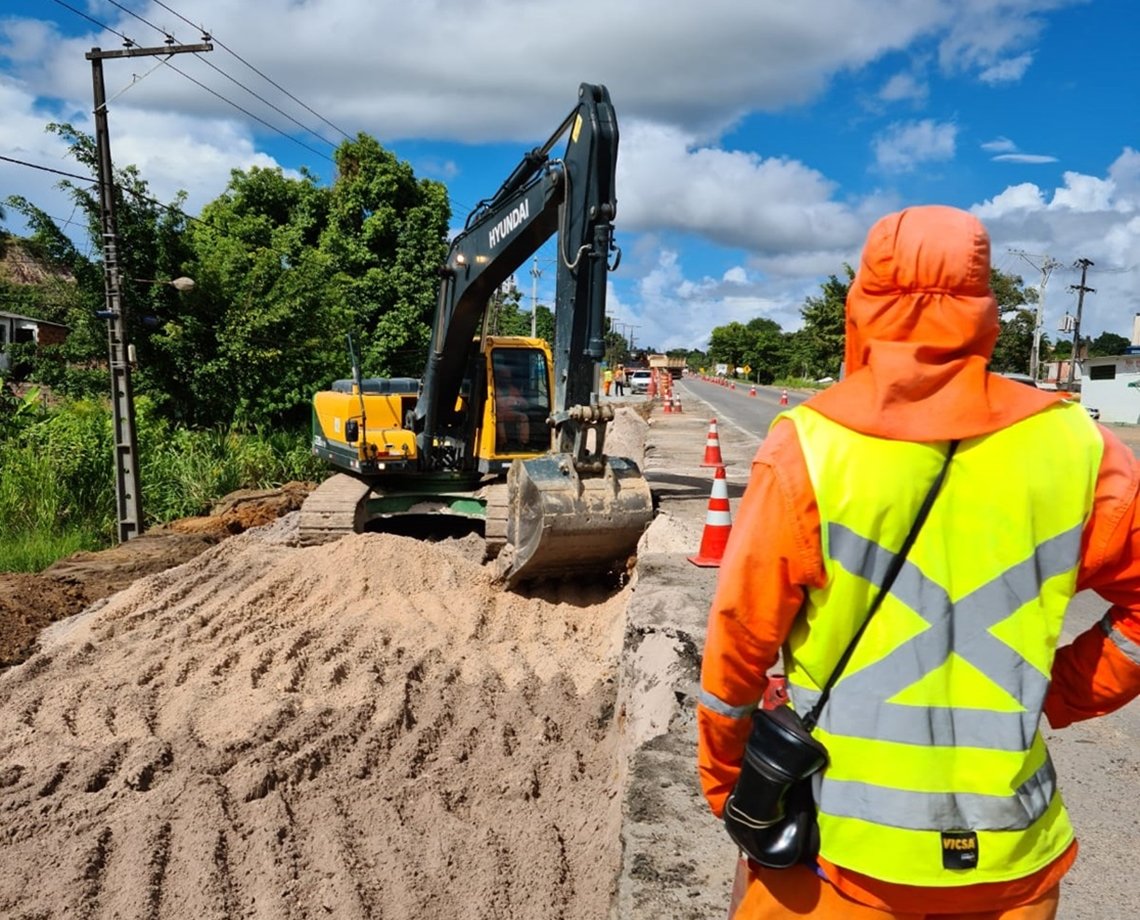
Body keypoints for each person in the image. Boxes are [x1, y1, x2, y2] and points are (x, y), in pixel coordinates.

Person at [697, 205, 1140, 919]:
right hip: (1009, 865)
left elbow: (738, 648)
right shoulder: (1079, 448)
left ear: (862, 305)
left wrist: (731, 788)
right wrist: (1058, 692)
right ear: (985, 310)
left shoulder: (808, 447)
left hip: (834, 865)